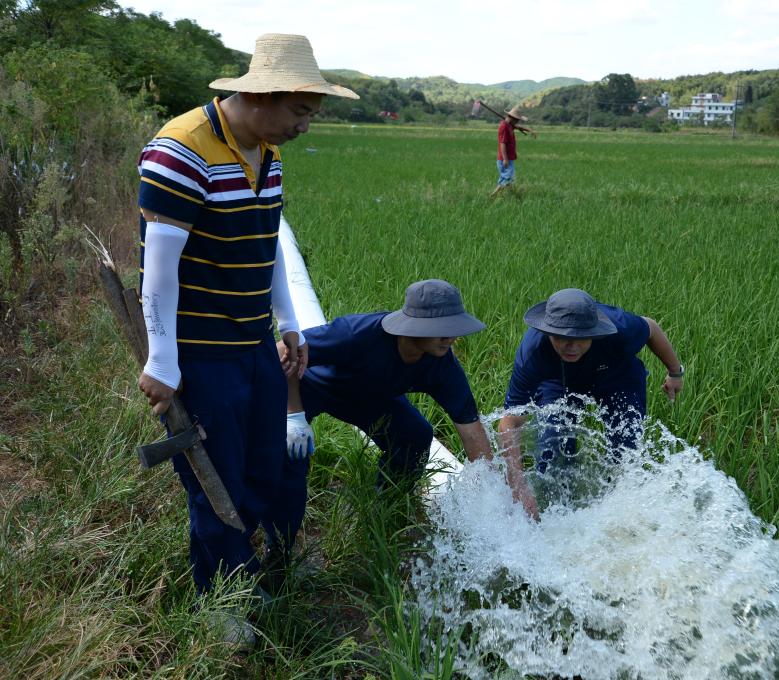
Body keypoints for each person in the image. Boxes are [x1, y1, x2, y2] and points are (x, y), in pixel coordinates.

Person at [134, 33, 358, 645]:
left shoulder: (268, 153)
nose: (304, 126)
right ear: (262, 96)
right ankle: (219, 599)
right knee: (217, 476)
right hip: (200, 349)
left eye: (310, 114)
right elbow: (158, 273)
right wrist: (163, 360)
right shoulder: (183, 150)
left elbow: (267, 245)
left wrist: (287, 322)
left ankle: (246, 568)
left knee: (266, 463)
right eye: (300, 111)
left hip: (253, 338)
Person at [272, 279, 493, 548]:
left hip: (371, 400)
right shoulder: (358, 334)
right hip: (313, 387)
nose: (452, 338)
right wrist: (293, 415)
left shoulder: (442, 364)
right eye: (443, 329)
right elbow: (283, 350)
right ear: (416, 325)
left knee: (415, 436)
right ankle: (278, 546)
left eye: (454, 328)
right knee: (290, 455)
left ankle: (386, 510)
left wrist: (492, 493)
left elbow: (471, 431)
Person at [497, 288, 685, 519]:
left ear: (594, 331)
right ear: (548, 331)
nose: (571, 347)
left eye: (580, 338)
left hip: (616, 376)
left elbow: (651, 328)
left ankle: (617, 510)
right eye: (562, 338)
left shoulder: (619, 328)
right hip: (558, 381)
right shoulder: (533, 351)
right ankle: (556, 509)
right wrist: (518, 487)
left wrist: (675, 372)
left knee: (625, 447)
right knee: (552, 445)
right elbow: (510, 421)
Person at [491, 105, 535, 196]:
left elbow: (518, 127)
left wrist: (529, 130)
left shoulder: (510, 125)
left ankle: (513, 195)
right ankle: (493, 196)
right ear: (513, 118)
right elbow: (502, 143)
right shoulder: (504, 127)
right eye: (517, 120)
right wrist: (505, 159)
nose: (518, 122)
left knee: (509, 179)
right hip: (504, 159)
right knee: (507, 178)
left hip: (509, 158)